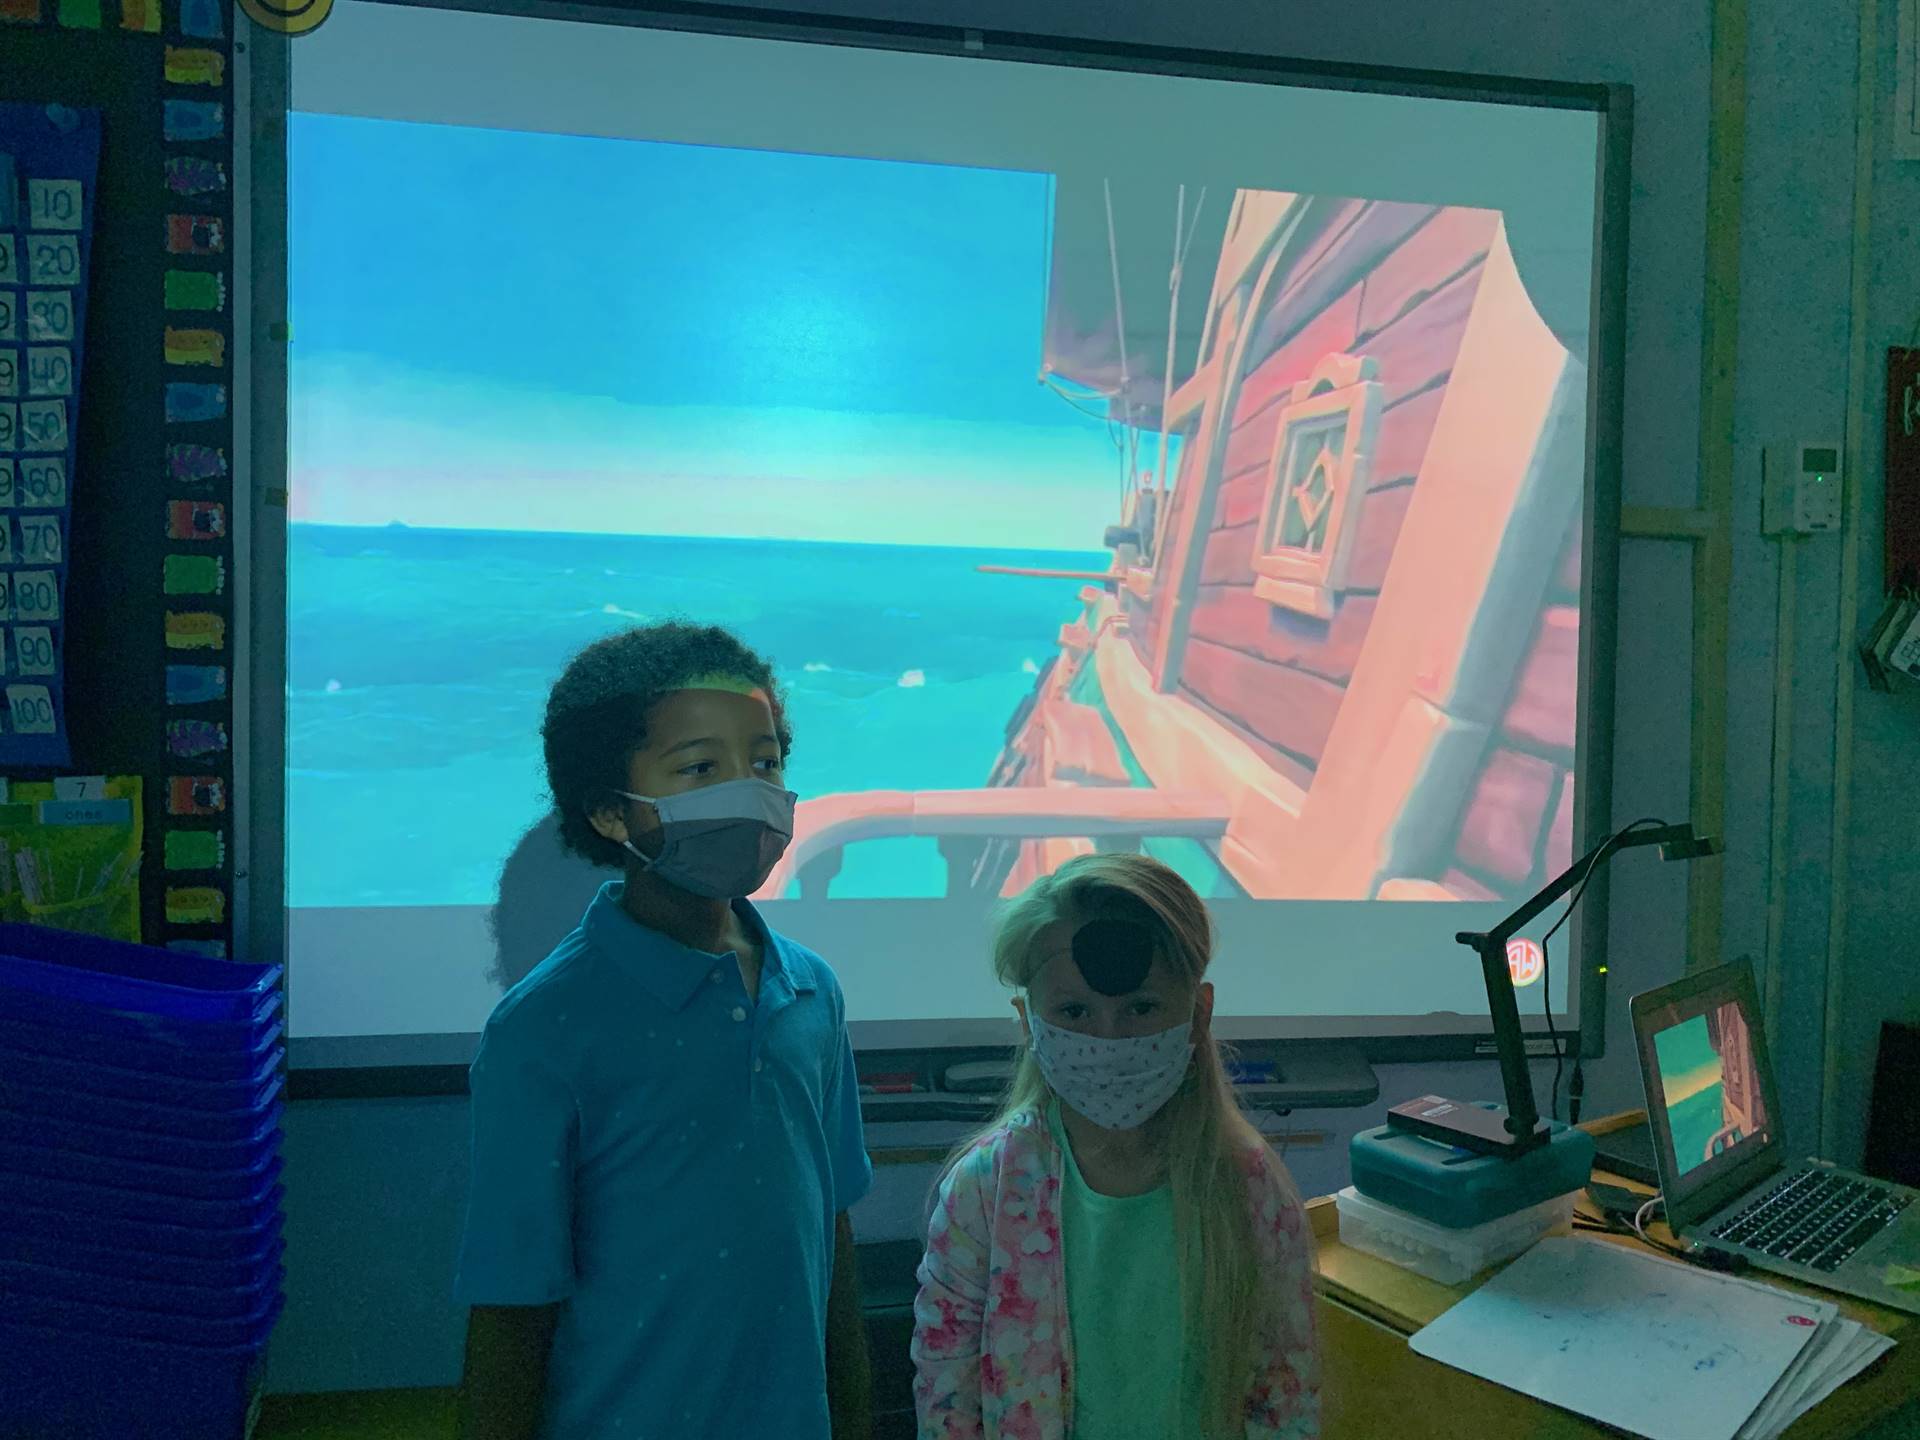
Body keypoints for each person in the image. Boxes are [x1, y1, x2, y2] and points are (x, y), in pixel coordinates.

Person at [454, 621, 875, 1440]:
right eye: (700, 768)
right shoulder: (542, 1029)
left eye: (765, 761)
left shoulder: (811, 993)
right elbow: (511, 1306)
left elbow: (832, 1241)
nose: (750, 792)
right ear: (612, 811)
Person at [911, 853, 1319, 1440]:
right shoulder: (986, 1190)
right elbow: (946, 1392)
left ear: (1198, 1014)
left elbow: (1284, 1391)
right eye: (1074, 1011)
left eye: (1142, 1008)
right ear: (1029, 1022)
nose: (1108, 1037)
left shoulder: (1247, 1188)